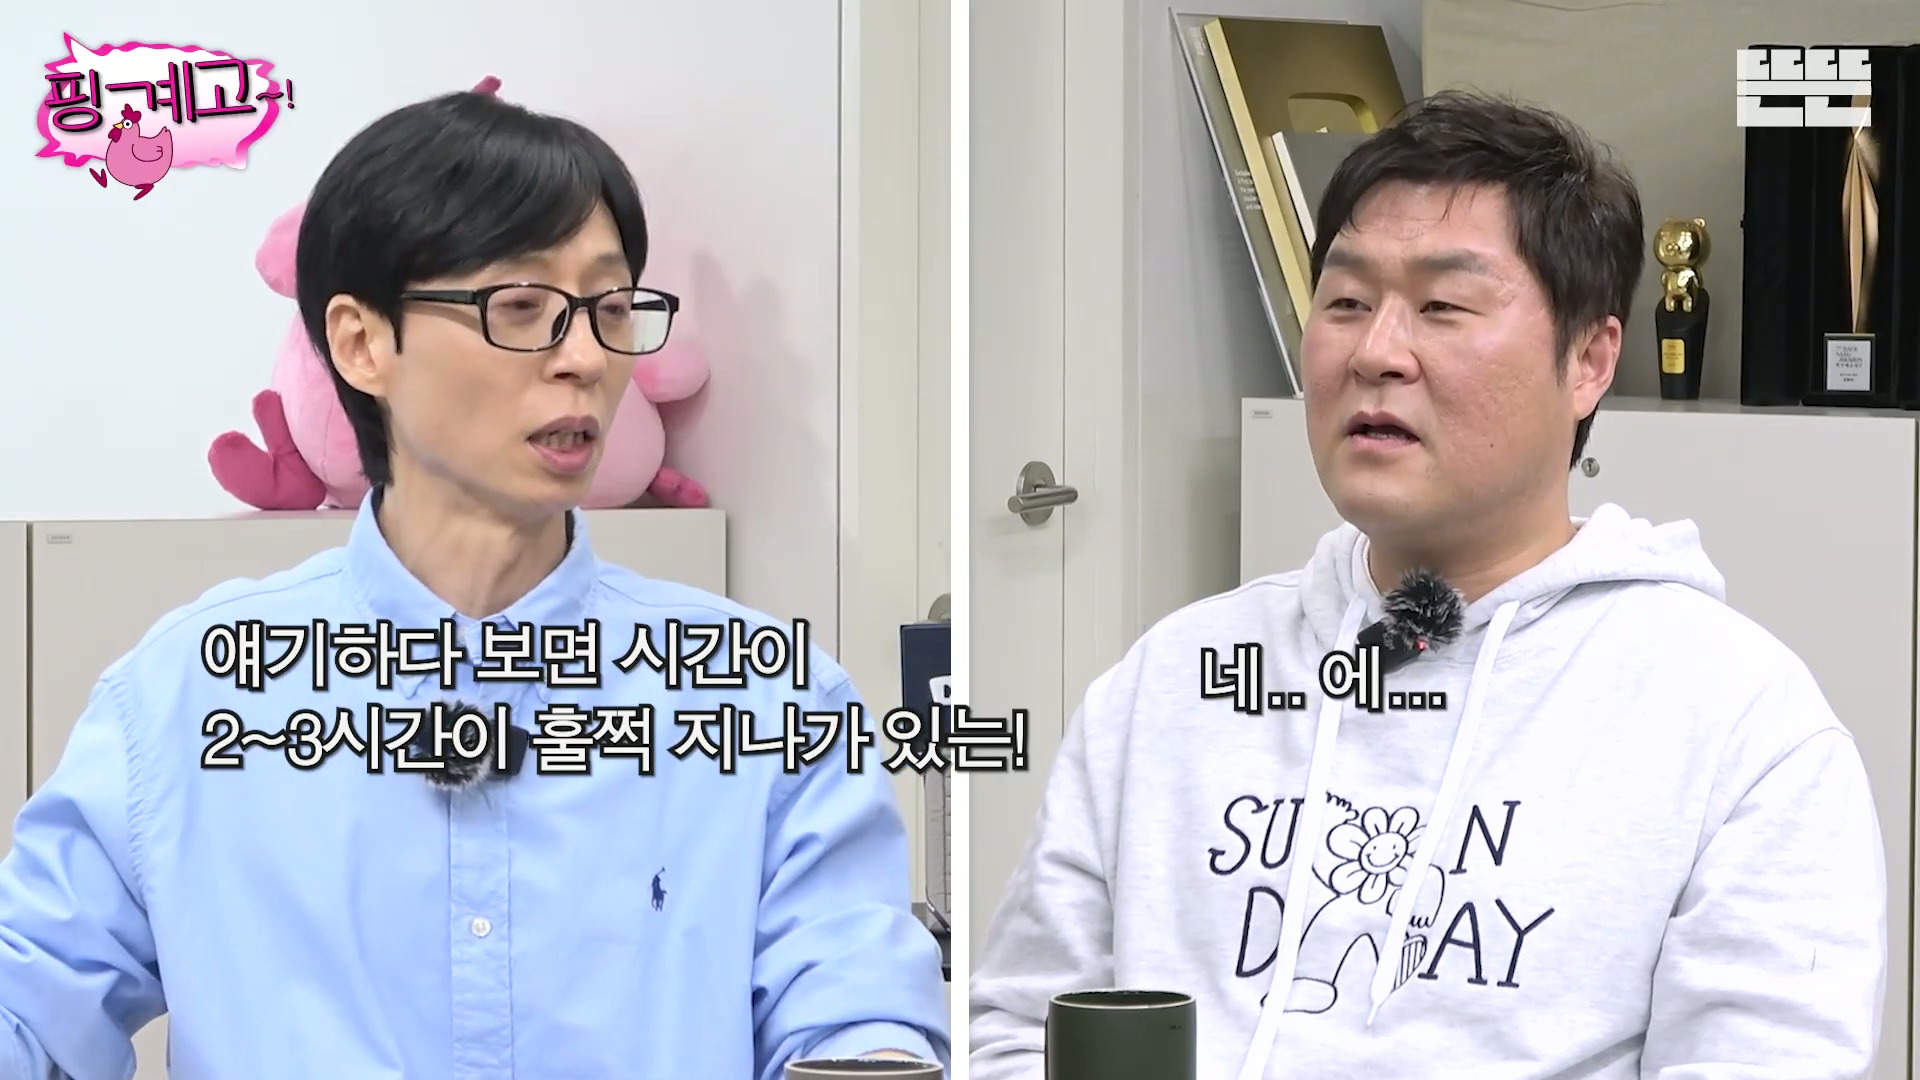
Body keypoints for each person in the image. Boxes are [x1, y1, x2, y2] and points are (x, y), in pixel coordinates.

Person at [0, 89, 948, 1079]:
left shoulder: (763, 695)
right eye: (523, 308)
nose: (584, 358)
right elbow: (31, 1001)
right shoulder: (189, 697)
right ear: (362, 343)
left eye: (610, 309)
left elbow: (854, 1012)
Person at [969, 90, 1885, 1079]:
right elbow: (1022, 1031)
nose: (1375, 352)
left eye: (1443, 307)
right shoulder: (1174, 681)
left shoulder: (1737, 723)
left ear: (1589, 359)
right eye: (1346, 302)